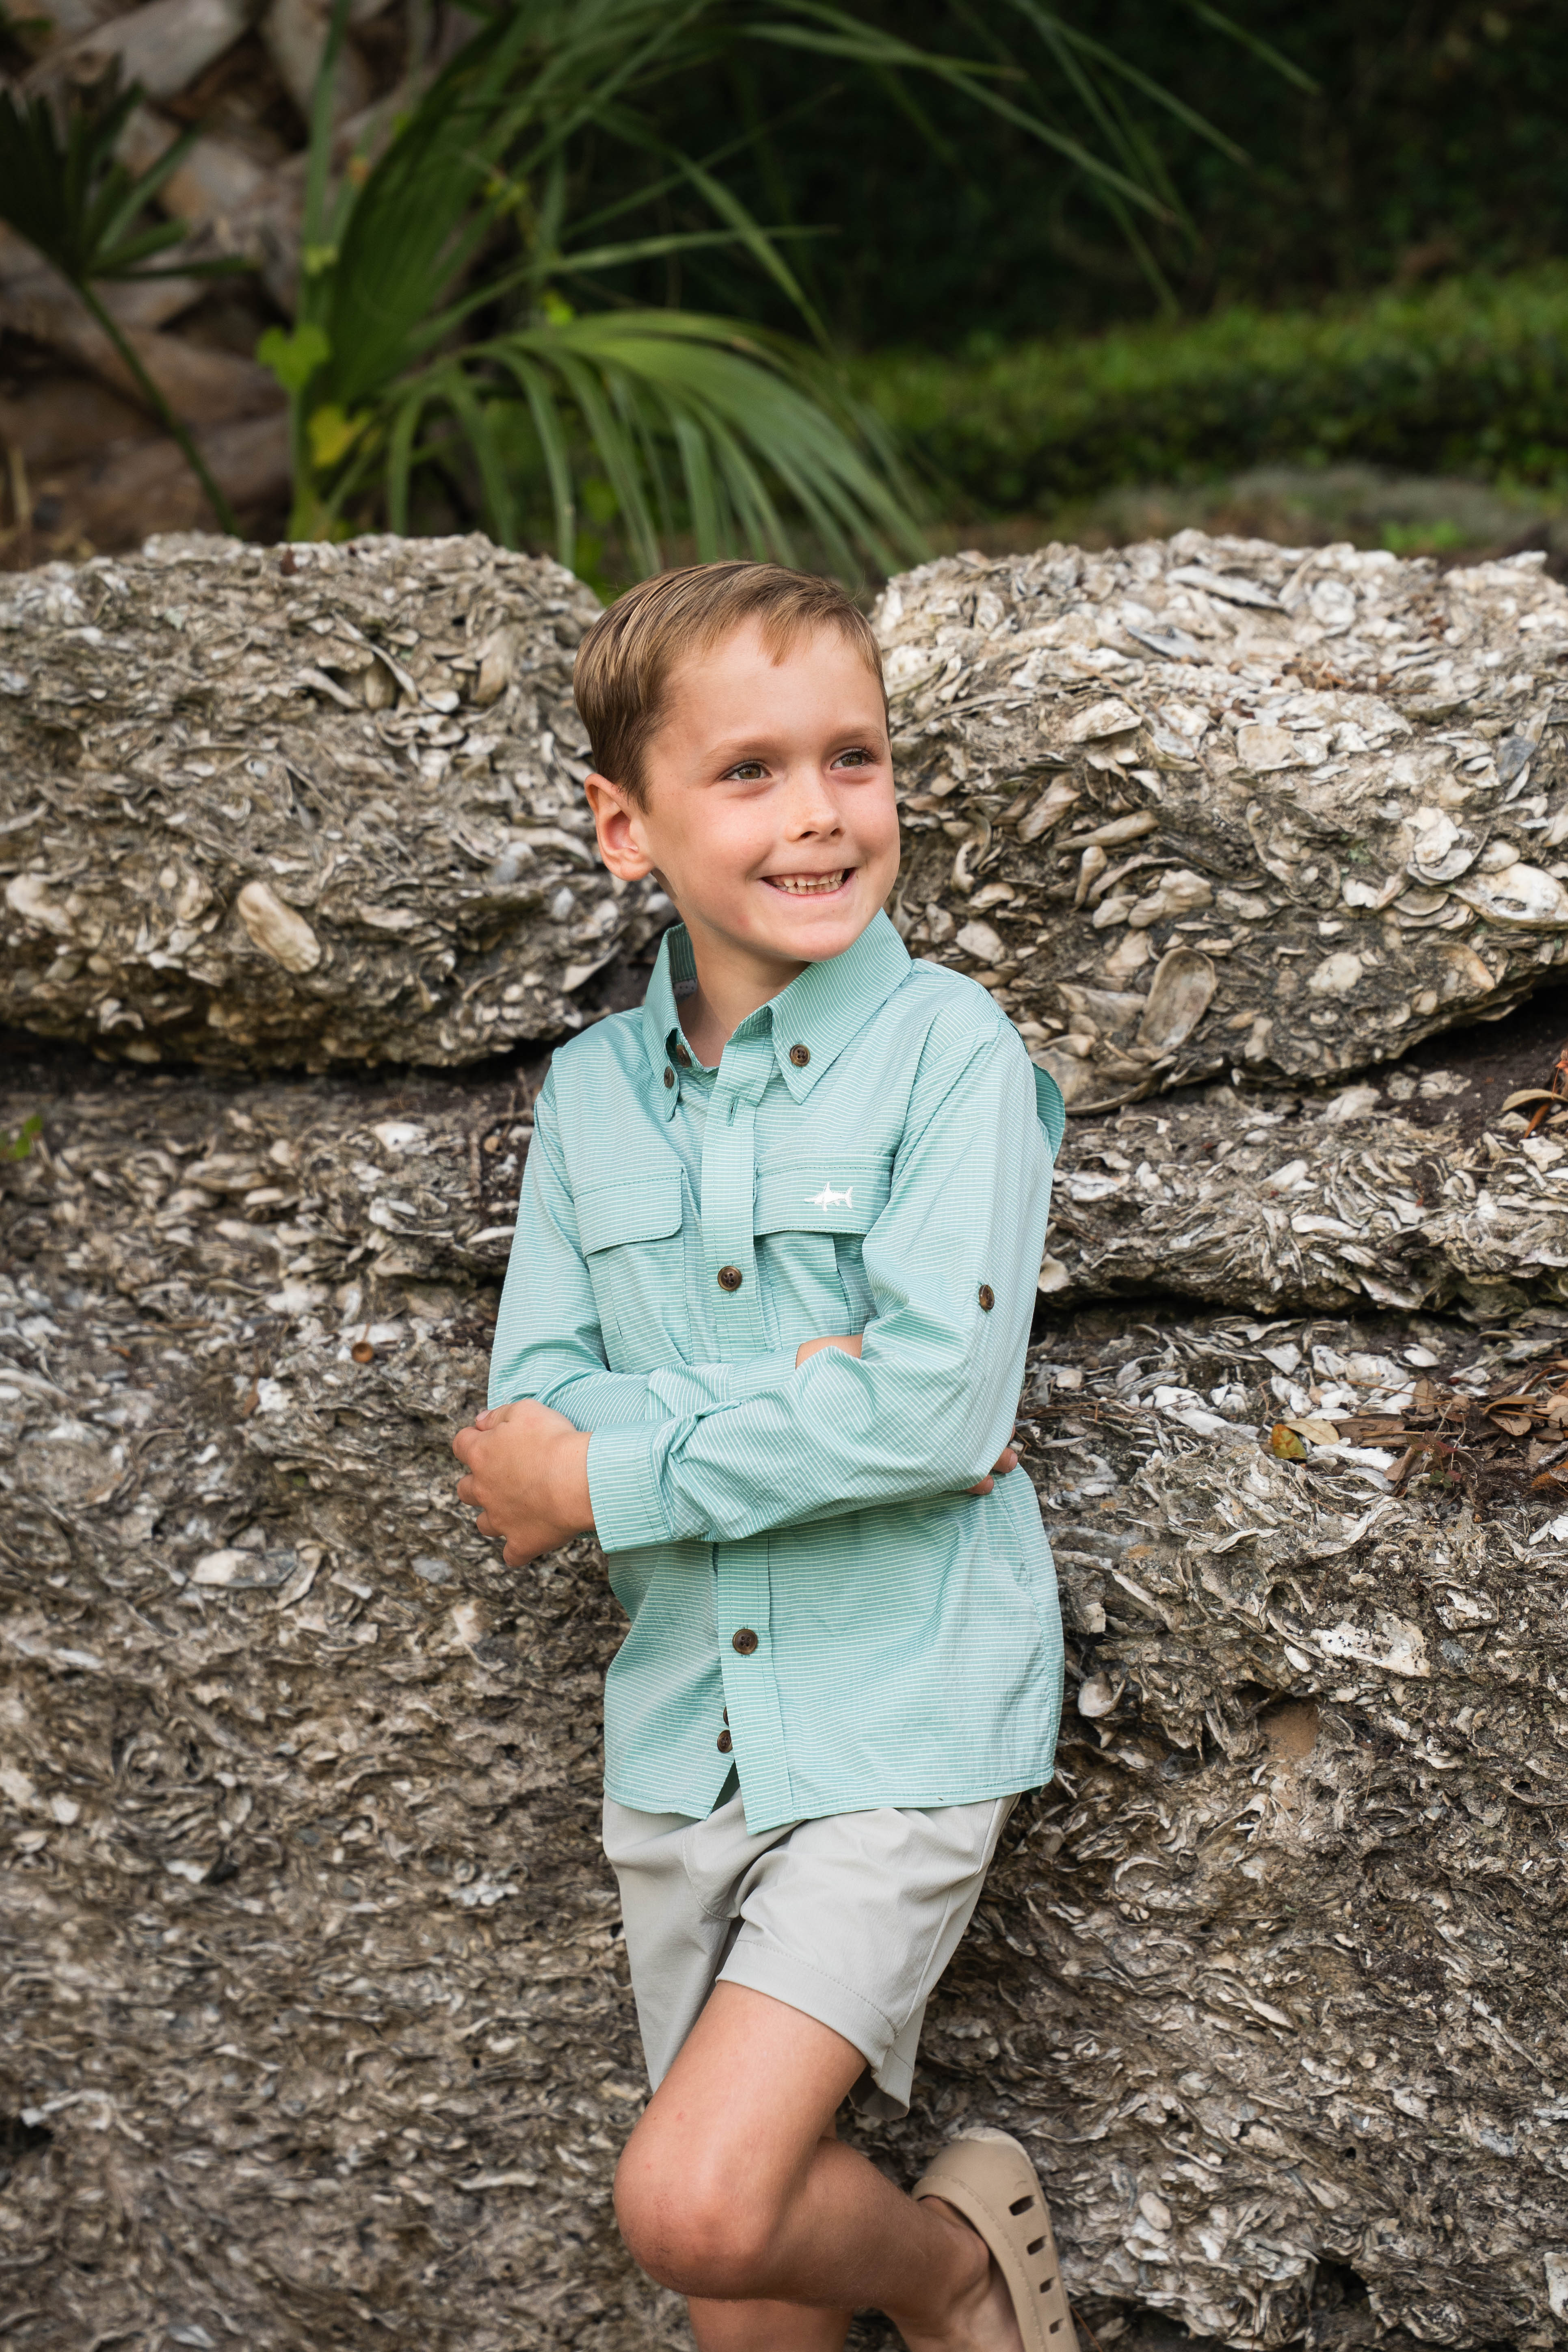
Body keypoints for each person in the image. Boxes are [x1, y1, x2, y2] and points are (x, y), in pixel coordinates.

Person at [453, 561, 1069, 2352]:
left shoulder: (950, 1054)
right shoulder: (587, 1097)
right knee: (739, 2299)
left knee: (695, 2197)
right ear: (623, 823)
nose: (818, 812)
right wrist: (800, 1396)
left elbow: (936, 1406)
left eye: (853, 757)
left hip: (900, 1711)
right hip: (680, 1739)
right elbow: (527, 1421)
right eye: (752, 771)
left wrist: (620, 1466)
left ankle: (958, 2272)